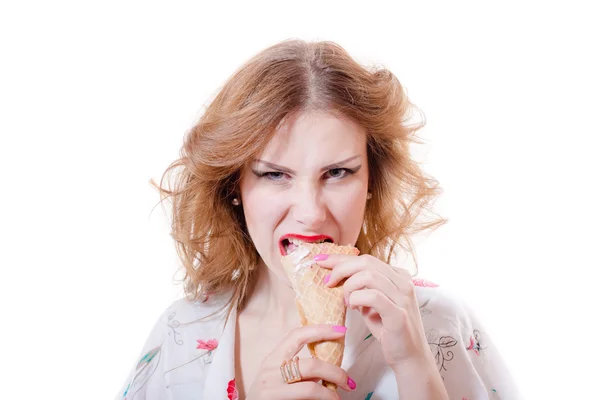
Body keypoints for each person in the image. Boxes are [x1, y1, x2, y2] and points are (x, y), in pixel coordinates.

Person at [116, 39, 522, 400]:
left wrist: (416, 369)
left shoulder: (436, 320)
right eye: (274, 174)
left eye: (338, 173)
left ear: (370, 181)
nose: (310, 212)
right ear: (234, 187)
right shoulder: (182, 334)